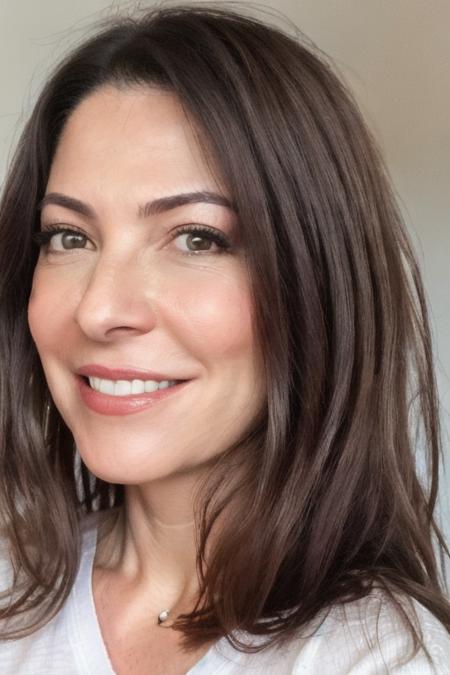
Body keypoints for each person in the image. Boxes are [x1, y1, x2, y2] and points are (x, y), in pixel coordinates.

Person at [0, 4, 449, 673]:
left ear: (314, 284)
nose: (99, 309)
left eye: (197, 237)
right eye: (70, 236)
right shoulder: (13, 584)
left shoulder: (382, 657)